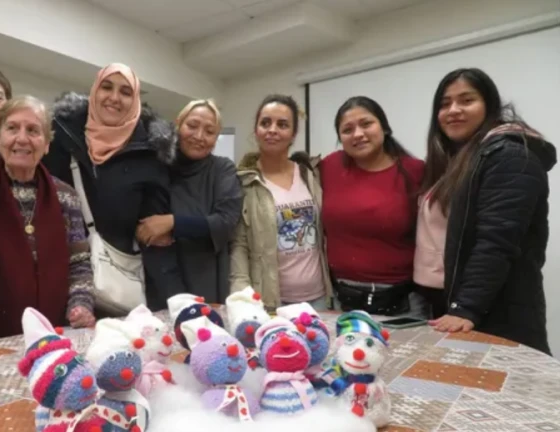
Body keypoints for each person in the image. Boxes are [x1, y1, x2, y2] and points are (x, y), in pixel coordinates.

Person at [424, 68, 554, 354]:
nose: (453, 110)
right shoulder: (465, 159)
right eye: (445, 104)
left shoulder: (509, 155)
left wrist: (466, 307)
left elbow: (497, 240)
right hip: (470, 306)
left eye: (466, 100)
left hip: (497, 313)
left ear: (489, 105)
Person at [43, 63, 187, 313]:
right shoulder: (59, 138)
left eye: (125, 92)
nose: (114, 97)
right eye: (107, 87)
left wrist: (173, 303)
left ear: (135, 100)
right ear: (94, 91)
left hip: (115, 290)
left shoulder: (150, 155)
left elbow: (155, 237)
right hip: (56, 278)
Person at [0, 96, 95, 338]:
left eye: (33, 130)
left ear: (46, 144)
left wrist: (81, 304)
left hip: (56, 329)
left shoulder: (66, 195)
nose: (22, 138)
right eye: (12, 128)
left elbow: (78, 262)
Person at [319, 96, 425, 317]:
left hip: (402, 303)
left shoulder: (416, 171)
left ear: (384, 127)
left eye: (366, 124)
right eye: (347, 130)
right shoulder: (329, 167)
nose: (358, 134)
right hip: (340, 301)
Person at [230, 94, 333, 310]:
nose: (272, 130)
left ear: (293, 134)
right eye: (265, 123)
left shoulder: (310, 174)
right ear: (256, 130)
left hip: (319, 298)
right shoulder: (244, 182)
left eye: (282, 124)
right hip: (271, 302)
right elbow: (239, 246)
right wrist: (242, 297)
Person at [135, 100, 242, 303]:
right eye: (192, 126)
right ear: (178, 124)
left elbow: (226, 222)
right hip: (158, 275)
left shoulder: (222, 169)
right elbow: (144, 224)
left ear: (216, 138)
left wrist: (172, 222)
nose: (199, 136)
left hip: (205, 274)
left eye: (209, 131)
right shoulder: (158, 166)